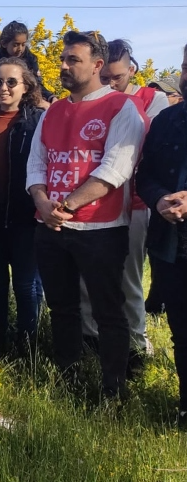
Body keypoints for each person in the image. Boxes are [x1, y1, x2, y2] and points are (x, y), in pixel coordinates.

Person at [25, 30, 146, 399]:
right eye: (62, 59)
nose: (62, 65)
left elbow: (115, 169)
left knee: (109, 311)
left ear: (97, 64)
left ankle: (113, 388)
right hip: (52, 228)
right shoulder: (54, 110)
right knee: (62, 308)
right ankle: (68, 379)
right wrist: (43, 203)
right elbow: (36, 165)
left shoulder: (121, 108)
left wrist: (66, 206)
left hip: (101, 228)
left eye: (72, 60)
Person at [80, 39, 168, 370]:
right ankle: (92, 338)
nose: (111, 84)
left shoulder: (152, 99)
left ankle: (136, 343)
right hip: (95, 204)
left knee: (128, 277)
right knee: (89, 277)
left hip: (136, 202)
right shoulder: (89, 100)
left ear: (131, 70)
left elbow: (149, 147)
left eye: (117, 77)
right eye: (106, 78)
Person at [0, 57, 44, 353]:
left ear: (26, 85)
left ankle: (28, 343)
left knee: (27, 286)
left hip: (25, 218)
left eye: (11, 82)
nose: (3, 88)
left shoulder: (38, 121)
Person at [135, 49, 187, 426]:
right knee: (181, 330)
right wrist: (158, 199)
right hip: (171, 244)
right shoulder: (167, 120)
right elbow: (145, 175)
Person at [0, 20, 54, 105]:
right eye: (15, 45)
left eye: (23, 44)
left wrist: (50, 97)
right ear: (4, 43)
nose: (20, 49)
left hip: (28, 103)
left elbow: (37, 84)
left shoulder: (30, 59)